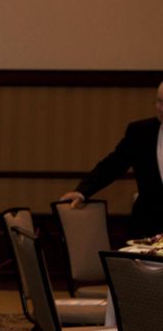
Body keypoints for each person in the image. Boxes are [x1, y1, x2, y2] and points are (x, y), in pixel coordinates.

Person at [59, 79, 163, 239]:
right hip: (147, 228)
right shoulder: (141, 132)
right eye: (158, 101)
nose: (159, 108)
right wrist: (82, 191)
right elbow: (113, 164)